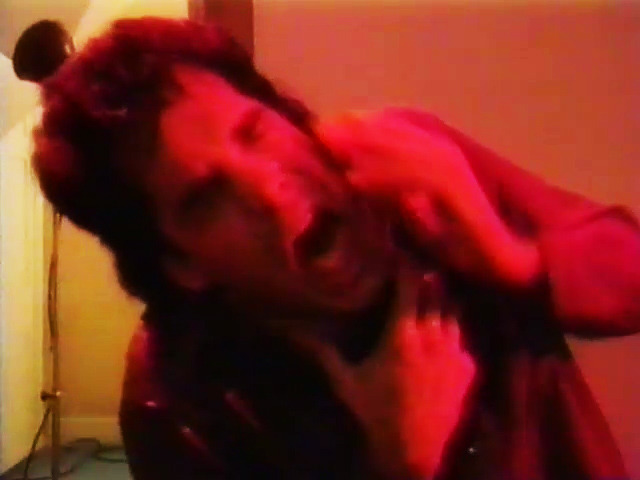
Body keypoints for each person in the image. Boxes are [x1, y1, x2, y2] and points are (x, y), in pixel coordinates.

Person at [20, 16, 640, 480]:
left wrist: (511, 256)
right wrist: (404, 465)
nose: (268, 191)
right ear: (181, 264)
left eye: (254, 131)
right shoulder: (180, 403)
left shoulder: (413, 171)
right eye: (207, 196)